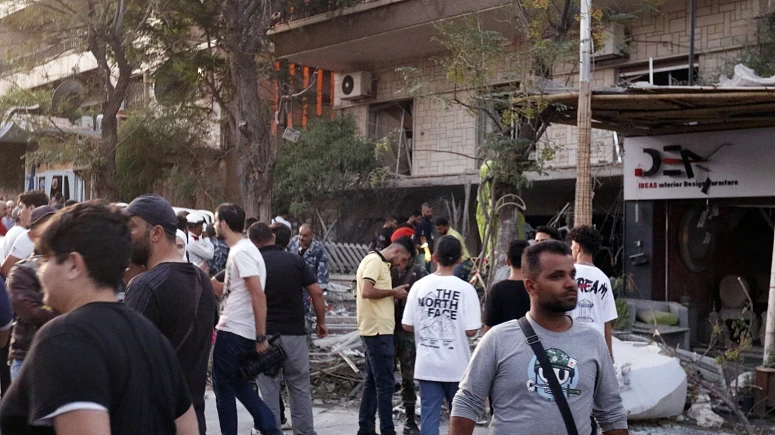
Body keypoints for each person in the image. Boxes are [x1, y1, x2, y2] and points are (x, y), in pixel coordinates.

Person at [0, 201, 199, 435]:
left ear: (73, 265)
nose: (40, 270)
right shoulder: (152, 338)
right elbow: (188, 428)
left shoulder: (64, 339)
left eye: (46, 259)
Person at [449, 241, 628, 435]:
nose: (570, 283)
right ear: (530, 286)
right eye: (557, 276)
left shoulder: (593, 341)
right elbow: (467, 402)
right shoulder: (498, 340)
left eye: (572, 275)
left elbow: (611, 413)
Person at [124, 194, 219, 435]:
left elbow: (128, 366)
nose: (126, 236)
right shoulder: (203, 281)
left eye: (132, 227)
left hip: (157, 420)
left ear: (156, 233)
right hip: (193, 418)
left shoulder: (145, 286)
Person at [249, 223, 327, 435]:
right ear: (273, 238)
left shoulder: (253, 263)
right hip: (295, 334)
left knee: (268, 391)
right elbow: (316, 292)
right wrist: (321, 322)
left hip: (265, 337)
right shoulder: (295, 261)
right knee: (299, 387)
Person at [211, 203, 281, 435]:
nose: (214, 225)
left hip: (234, 331)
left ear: (223, 224)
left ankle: (268, 426)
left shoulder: (242, 252)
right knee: (238, 383)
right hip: (238, 329)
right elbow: (235, 291)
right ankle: (270, 427)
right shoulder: (243, 250)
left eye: (215, 221)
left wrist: (261, 337)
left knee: (223, 389)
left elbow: (258, 295)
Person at [401, 236, 481, 435]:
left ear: (435, 257)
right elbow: (472, 330)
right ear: (459, 259)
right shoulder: (466, 290)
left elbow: (407, 325)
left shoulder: (419, 286)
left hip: (427, 363)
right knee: (459, 417)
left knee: (429, 416)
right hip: (457, 365)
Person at [355, 236, 415, 435]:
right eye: (403, 259)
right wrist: (392, 292)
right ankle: (387, 429)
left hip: (376, 329)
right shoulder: (374, 262)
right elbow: (367, 291)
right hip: (377, 330)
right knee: (385, 384)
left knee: (373, 382)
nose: (401, 264)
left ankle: (366, 427)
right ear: (396, 251)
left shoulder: (377, 262)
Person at [6, 206, 58, 380]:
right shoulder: (21, 271)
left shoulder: (71, 267)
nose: (51, 233)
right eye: (45, 227)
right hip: (27, 357)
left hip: (61, 354)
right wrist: (67, 313)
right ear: (32, 235)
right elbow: (31, 311)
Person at [391, 232, 426, 435]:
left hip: (408, 332)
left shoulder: (418, 272)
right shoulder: (385, 268)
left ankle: (410, 420)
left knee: (409, 378)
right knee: (385, 378)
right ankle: (385, 421)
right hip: (387, 328)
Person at [567, 225, 618, 358]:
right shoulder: (603, 279)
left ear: (578, 247)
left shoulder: (567, 274)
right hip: (596, 346)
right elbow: (607, 321)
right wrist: (609, 354)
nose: (571, 248)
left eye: (572, 245)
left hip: (570, 343)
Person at [483, 240, 530, 334]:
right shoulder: (536, 287)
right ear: (529, 261)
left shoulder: (497, 290)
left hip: (505, 340)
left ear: (507, 261)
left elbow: (489, 327)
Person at [1, 191, 48, 277]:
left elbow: (5, 270)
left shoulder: (29, 237)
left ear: (31, 208)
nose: (18, 213)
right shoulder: (56, 233)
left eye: (21, 207)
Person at [434, 218, 473, 282]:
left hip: (462, 262)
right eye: (437, 229)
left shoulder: (452, 237)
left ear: (446, 226)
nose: (439, 231)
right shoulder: (449, 235)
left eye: (440, 229)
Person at [414, 204, 434, 274]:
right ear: (423, 211)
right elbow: (422, 237)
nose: (430, 214)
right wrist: (427, 252)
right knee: (424, 272)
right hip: (423, 253)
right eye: (428, 212)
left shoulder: (429, 223)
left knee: (427, 271)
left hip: (428, 251)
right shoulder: (422, 223)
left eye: (431, 212)